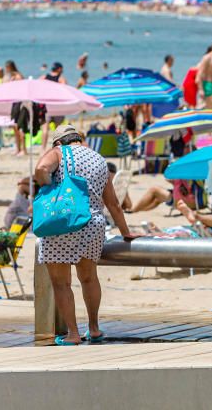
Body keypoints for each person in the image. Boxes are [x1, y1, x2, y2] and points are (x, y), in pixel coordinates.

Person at [33, 125, 136, 345]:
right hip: (93, 223)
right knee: (89, 278)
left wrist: (49, 189)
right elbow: (113, 203)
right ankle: (94, 328)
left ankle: (73, 334)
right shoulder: (99, 159)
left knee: (61, 283)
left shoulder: (59, 152)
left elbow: (42, 169)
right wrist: (125, 232)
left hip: (64, 221)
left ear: (59, 141)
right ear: (79, 139)